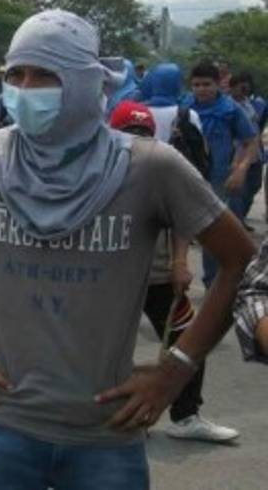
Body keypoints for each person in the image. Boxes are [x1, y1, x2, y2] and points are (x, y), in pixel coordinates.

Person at [0, 11, 255, 489]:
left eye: (44, 76)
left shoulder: (149, 167)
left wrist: (176, 370)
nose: (25, 89)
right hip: (0, 428)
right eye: (16, 74)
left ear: (82, 83)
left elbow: (241, 260)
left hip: (106, 438)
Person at [109, 100, 240, 442]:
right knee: (105, 348)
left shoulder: (162, 170)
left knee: (186, 339)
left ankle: (186, 416)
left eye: (143, 132)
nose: (137, 139)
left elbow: (182, 220)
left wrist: (180, 263)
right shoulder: (98, 173)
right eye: (129, 132)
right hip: (111, 280)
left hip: (159, 276)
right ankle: (115, 415)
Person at [182, 60, 258, 288]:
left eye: (207, 84)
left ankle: (213, 285)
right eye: (197, 85)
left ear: (217, 84)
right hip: (186, 177)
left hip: (218, 180)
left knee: (213, 233)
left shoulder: (230, 109)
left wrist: (241, 169)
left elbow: (251, 141)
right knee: (180, 229)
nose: (202, 89)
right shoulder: (184, 107)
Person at [230, 73, 266, 227]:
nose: (244, 88)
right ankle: (236, 222)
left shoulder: (250, 104)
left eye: (246, 84)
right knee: (238, 191)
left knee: (255, 185)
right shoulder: (229, 106)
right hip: (238, 154)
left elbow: (258, 126)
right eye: (241, 85)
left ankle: (240, 218)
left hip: (255, 153)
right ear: (232, 87)